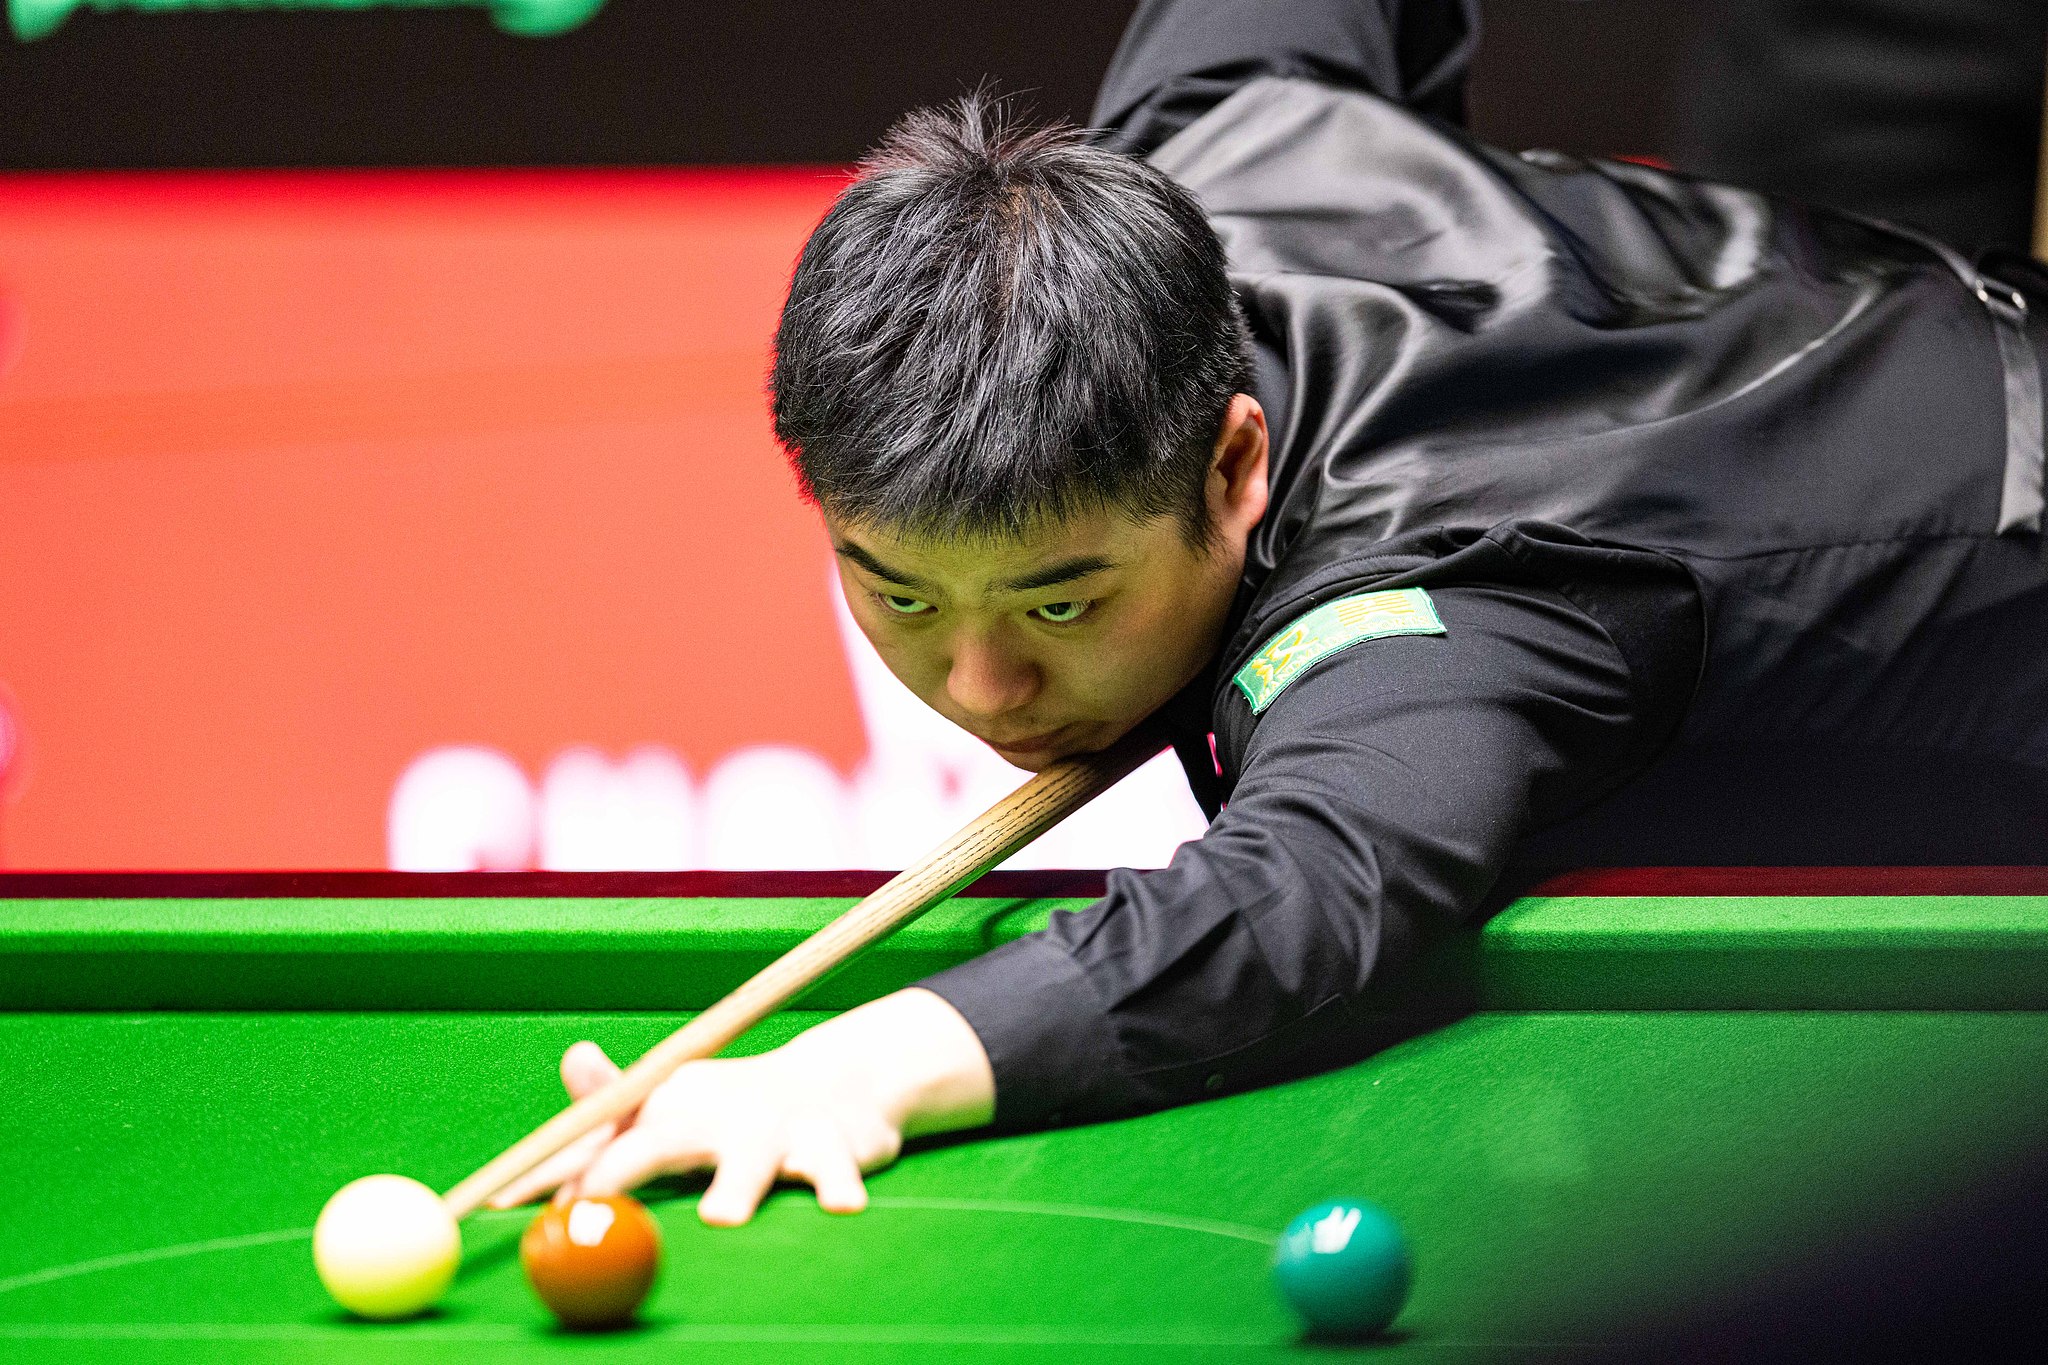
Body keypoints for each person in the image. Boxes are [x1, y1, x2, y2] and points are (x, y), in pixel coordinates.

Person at [489, 0, 2048, 1226]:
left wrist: (860, 1063)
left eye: (1061, 596)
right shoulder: (1210, 126)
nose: (983, 680)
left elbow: (1303, 890)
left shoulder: (1424, 603)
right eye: (894, 590)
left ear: (1237, 463)